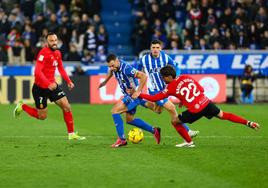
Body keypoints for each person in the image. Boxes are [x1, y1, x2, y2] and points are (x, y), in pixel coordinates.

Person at [139, 65, 260, 147]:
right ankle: (249, 123)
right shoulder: (185, 77)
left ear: (169, 77)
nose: (162, 79)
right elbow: (201, 89)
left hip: (196, 110)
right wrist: (183, 99)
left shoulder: (170, 87)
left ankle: (188, 142)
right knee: (224, 115)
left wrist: (140, 94)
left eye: (163, 77)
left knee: (175, 121)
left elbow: (155, 98)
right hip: (206, 103)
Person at [13, 32, 85, 140]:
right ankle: (22, 107)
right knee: (42, 116)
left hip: (53, 86)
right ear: (47, 42)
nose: (54, 42)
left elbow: (61, 68)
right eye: (51, 41)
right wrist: (47, 84)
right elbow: (37, 72)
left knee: (66, 107)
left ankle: (71, 134)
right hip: (40, 88)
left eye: (55, 40)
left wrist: (68, 81)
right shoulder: (43, 54)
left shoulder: (57, 53)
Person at [138, 39, 199, 138]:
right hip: (154, 90)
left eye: (157, 47)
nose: (155, 50)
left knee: (158, 110)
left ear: (160, 48)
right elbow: (138, 72)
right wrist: (138, 86)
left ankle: (141, 102)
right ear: (150, 48)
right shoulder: (144, 59)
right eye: (153, 47)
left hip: (165, 89)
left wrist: (175, 78)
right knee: (171, 108)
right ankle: (188, 131)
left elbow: (177, 68)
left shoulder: (165, 57)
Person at [99, 54, 161, 148]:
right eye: (109, 66)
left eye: (113, 65)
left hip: (132, 96)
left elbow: (143, 76)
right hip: (128, 95)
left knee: (115, 111)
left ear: (117, 60)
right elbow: (111, 72)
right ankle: (154, 130)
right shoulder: (114, 68)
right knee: (129, 119)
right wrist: (105, 82)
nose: (111, 68)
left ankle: (122, 140)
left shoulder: (126, 68)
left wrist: (138, 91)